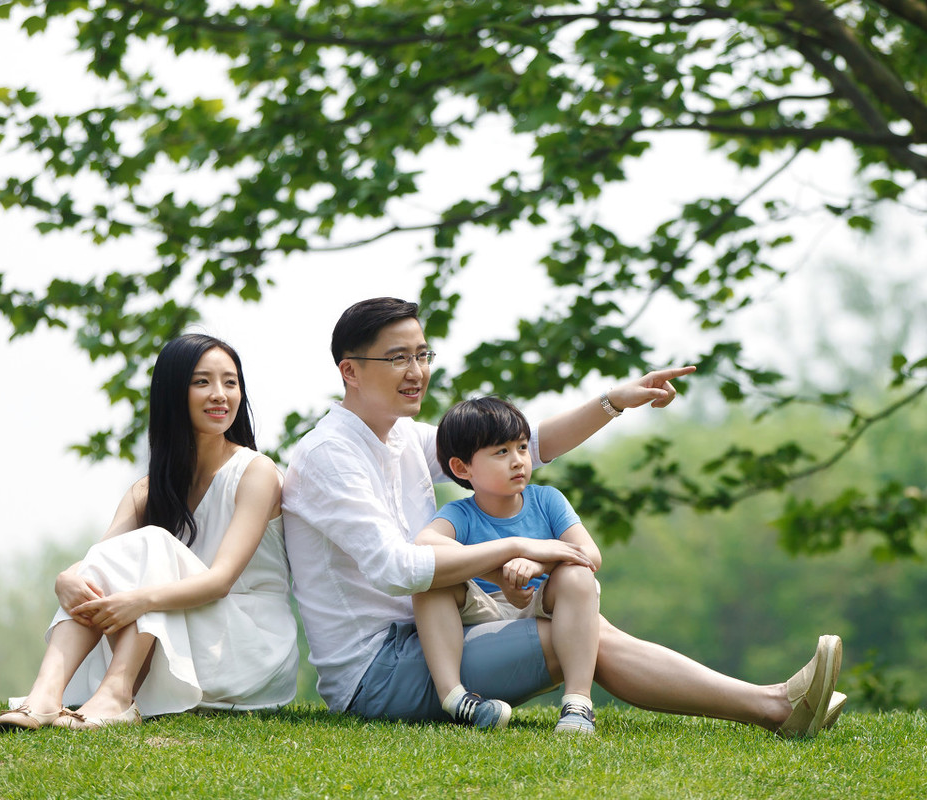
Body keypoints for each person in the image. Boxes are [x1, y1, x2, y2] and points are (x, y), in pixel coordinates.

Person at [282, 297, 843, 737]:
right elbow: (397, 569)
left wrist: (614, 402)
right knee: (576, 637)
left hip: (443, 631)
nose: (416, 371)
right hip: (380, 673)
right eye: (398, 357)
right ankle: (773, 705)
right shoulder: (330, 454)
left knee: (582, 626)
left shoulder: (399, 437)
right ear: (350, 371)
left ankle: (774, 704)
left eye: (423, 355)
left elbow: (518, 449)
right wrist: (519, 550)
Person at [0, 334, 298, 732]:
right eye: (202, 382)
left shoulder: (256, 472)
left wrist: (139, 601)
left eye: (230, 382)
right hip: (175, 633)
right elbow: (101, 559)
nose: (220, 395)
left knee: (155, 543)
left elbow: (221, 581)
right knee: (114, 562)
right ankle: (45, 695)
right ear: (174, 392)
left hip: (246, 646)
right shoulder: (149, 488)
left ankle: (117, 695)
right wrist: (65, 579)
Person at [412, 397, 603, 732]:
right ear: (462, 468)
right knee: (430, 578)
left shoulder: (547, 500)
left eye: (522, 447)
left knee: (578, 575)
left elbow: (590, 555)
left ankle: (578, 703)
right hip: (481, 614)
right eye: (501, 452)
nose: (518, 461)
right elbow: (424, 545)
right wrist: (504, 564)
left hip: (542, 604)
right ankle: (455, 697)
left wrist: (535, 561)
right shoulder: (461, 514)